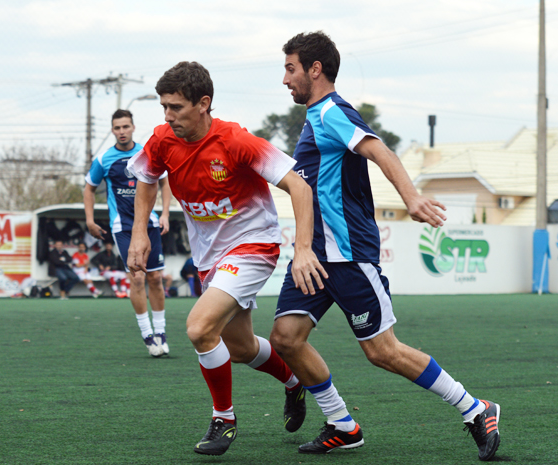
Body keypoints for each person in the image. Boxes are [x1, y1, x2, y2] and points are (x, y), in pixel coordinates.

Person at [270, 31, 500, 461]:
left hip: (350, 256)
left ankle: (476, 408)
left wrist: (412, 198)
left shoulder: (332, 113)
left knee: (382, 351)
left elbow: (378, 150)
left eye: (290, 69)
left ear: (315, 69)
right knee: (286, 337)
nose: (285, 79)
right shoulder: (315, 116)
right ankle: (343, 424)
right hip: (316, 257)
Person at [126, 61, 326, 456]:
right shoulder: (162, 140)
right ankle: (292, 383)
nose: (168, 116)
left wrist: (302, 249)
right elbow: (147, 179)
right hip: (210, 256)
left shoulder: (236, 141)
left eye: (176, 108)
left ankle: (224, 418)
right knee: (240, 348)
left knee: (200, 328)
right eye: (163, 107)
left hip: (254, 245)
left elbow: (299, 186)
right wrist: (138, 234)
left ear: (204, 104)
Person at [83, 109, 172, 358]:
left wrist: (165, 213)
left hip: (150, 224)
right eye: (117, 128)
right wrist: (89, 220)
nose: (122, 131)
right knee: (137, 278)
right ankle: (147, 335)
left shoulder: (148, 152)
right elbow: (89, 189)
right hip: (123, 228)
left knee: (155, 279)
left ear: (133, 127)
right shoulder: (104, 159)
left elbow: (165, 182)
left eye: (125, 127)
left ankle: (162, 333)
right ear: (112, 130)